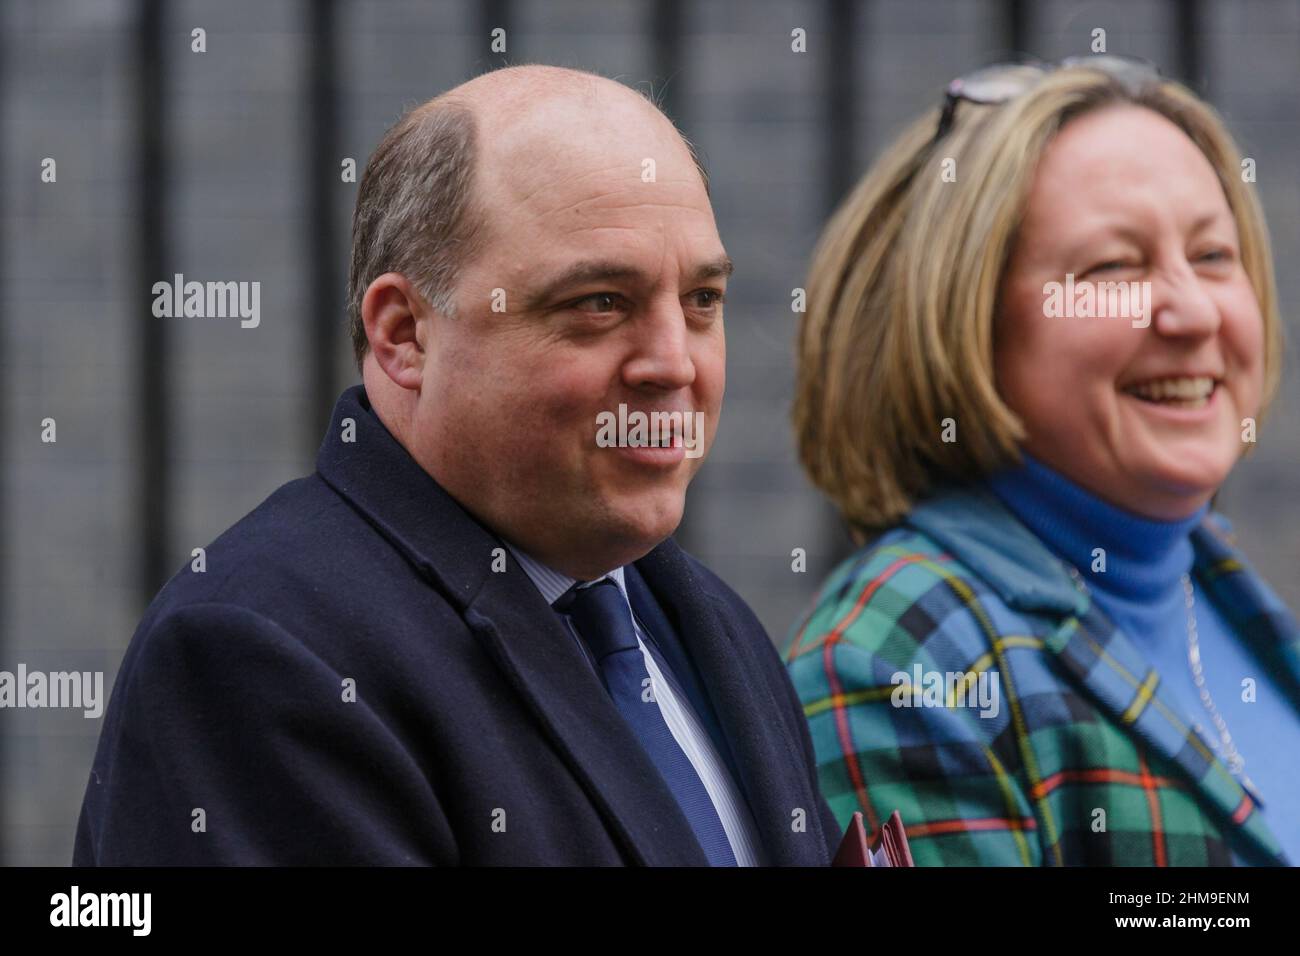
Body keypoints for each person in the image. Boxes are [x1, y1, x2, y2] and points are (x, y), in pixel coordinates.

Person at [74, 65, 840, 866]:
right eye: (599, 303)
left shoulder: (706, 624)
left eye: (701, 302)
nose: (674, 364)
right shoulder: (257, 652)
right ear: (404, 334)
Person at [786, 56, 1299, 866]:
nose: (1193, 312)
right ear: (965, 323)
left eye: (1211, 256)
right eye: (1113, 267)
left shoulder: (1216, 585)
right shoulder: (897, 658)